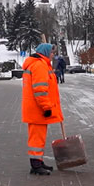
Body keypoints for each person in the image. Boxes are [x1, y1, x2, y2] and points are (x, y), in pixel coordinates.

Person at [21, 43, 63, 175]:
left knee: (38, 137)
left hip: (35, 108)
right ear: (45, 52)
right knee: (36, 138)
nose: (53, 55)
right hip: (37, 109)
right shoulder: (39, 65)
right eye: (51, 52)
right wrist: (46, 107)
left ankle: (38, 161)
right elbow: (40, 90)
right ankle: (35, 165)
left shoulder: (40, 64)